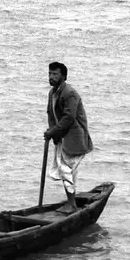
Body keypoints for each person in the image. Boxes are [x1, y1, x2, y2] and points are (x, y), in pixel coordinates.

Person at [43, 62, 93, 213]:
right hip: (62, 137)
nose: (51, 77)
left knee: (67, 170)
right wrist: (53, 132)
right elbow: (51, 114)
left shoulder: (69, 93)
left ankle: (72, 204)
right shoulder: (53, 93)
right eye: (50, 73)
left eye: (55, 74)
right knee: (64, 170)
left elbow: (69, 117)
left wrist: (54, 132)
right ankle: (71, 203)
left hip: (74, 138)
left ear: (63, 76)